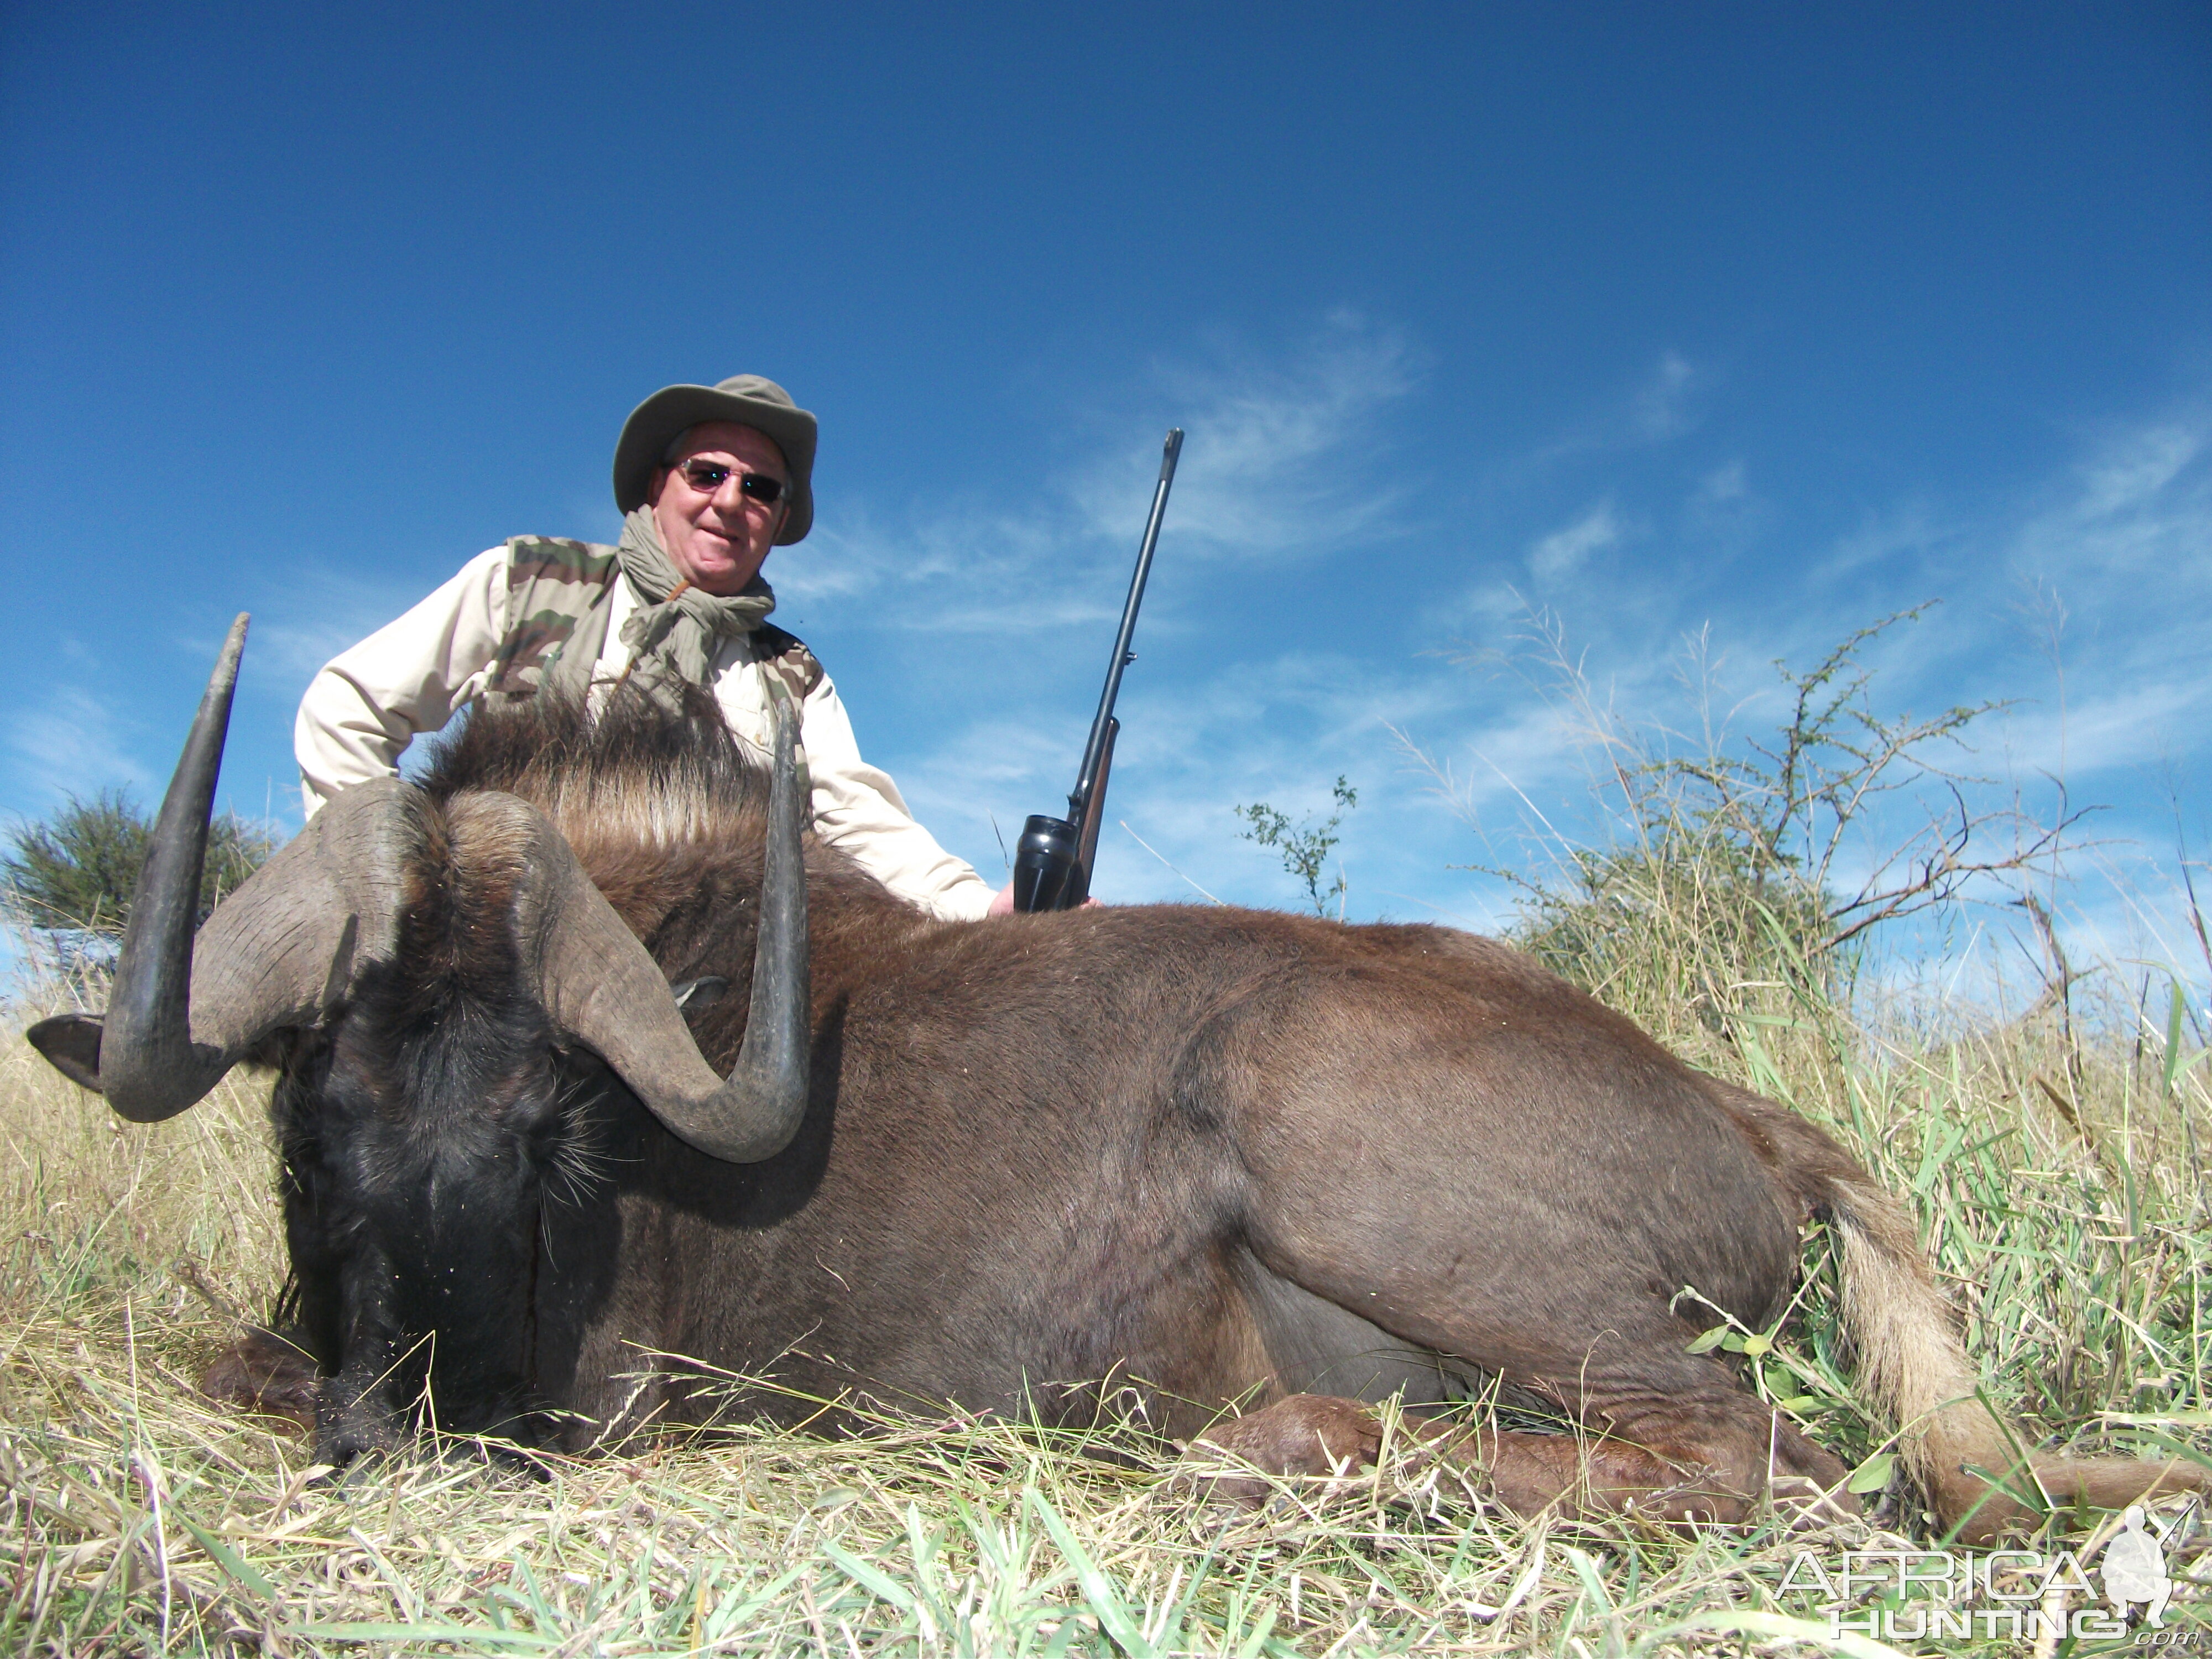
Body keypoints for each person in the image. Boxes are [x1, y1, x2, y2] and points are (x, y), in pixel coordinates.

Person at [295, 374, 1010, 920]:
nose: (731, 501)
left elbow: (862, 825)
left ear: (778, 519)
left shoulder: (792, 675)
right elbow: (345, 711)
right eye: (708, 473)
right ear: (656, 483)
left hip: (702, 982)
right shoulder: (531, 583)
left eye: (760, 488)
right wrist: (399, 896)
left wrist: (982, 914)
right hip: (498, 957)